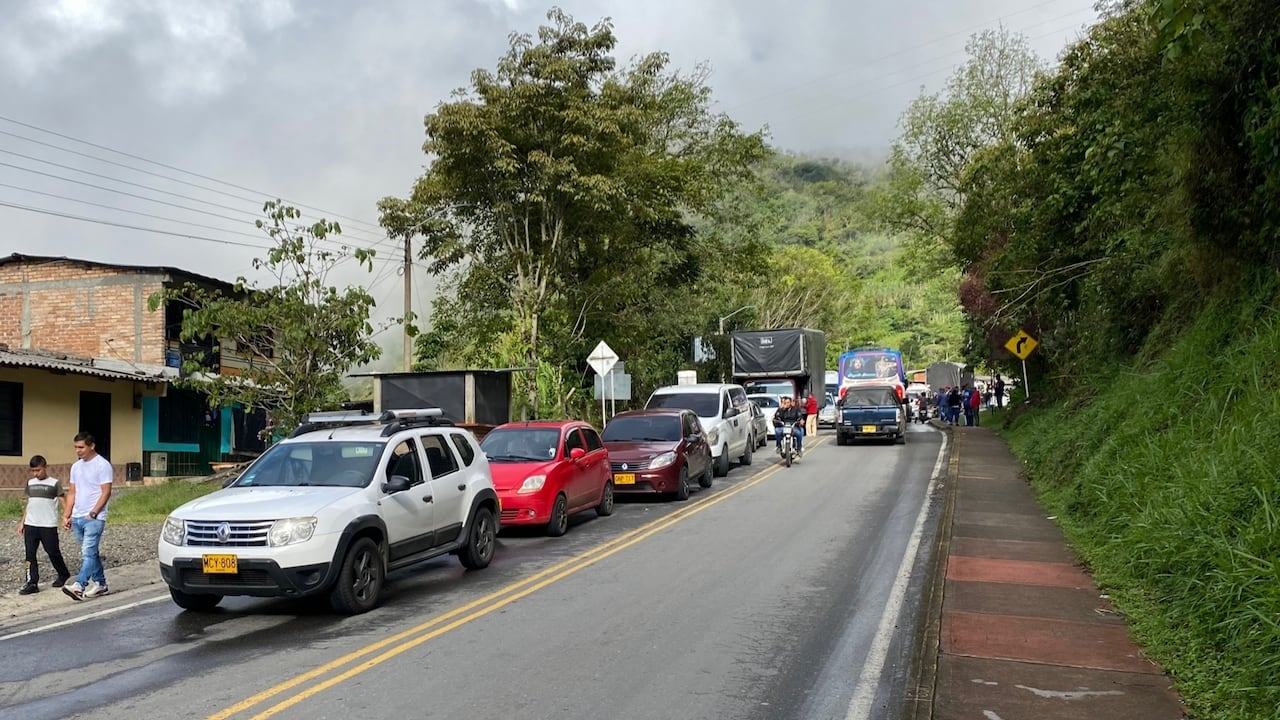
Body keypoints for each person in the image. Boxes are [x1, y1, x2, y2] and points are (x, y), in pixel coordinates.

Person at [62, 432, 113, 601]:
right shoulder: (76, 467)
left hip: (94, 517)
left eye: (81, 447)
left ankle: (79, 585)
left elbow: (106, 492)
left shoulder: (102, 465)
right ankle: (100, 584)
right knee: (91, 553)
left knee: (88, 552)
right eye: (76, 447)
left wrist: (94, 513)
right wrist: (67, 514)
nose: (78, 451)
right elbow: (72, 491)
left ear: (91, 446)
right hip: (77, 516)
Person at [17, 455, 72, 595]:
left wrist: (66, 517)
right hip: (31, 524)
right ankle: (32, 582)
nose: (36, 473)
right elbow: (30, 503)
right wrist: (22, 522)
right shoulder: (30, 483)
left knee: (53, 551)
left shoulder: (54, 483)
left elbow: (63, 501)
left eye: (38, 470)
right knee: (30, 554)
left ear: (45, 467)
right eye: (33, 471)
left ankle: (63, 573)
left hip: (47, 524)